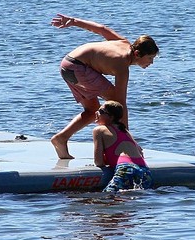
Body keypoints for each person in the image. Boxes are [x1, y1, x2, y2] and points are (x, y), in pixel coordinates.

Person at [50, 13, 159, 159]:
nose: (151, 63)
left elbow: (101, 29)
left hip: (66, 65)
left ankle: (61, 138)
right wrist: (129, 140)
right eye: (150, 58)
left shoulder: (123, 42)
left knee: (92, 111)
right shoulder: (122, 65)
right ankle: (117, 142)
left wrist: (75, 21)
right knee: (114, 102)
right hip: (77, 67)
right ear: (138, 53)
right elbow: (120, 103)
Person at [93, 100, 153, 193]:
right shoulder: (124, 130)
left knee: (106, 198)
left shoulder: (99, 130)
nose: (96, 113)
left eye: (101, 111)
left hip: (126, 169)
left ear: (111, 117)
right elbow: (140, 151)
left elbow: (98, 162)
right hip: (145, 171)